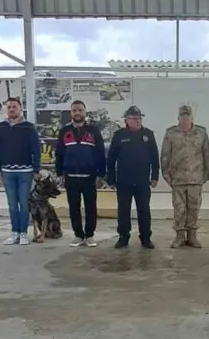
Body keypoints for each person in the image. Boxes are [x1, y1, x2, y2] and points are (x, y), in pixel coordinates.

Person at [107, 106, 159, 249]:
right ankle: (123, 237)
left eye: (139, 118)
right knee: (123, 211)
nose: (137, 121)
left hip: (142, 181)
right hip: (124, 181)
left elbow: (155, 157)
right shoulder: (119, 135)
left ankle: (145, 238)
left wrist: (155, 176)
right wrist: (111, 179)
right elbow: (111, 159)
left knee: (144, 210)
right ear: (127, 120)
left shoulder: (148, 135)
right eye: (134, 118)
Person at [55, 100, 105, 247]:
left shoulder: (93, 130)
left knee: (91, 207)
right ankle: (78, 235)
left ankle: (89, 235)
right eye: (74, 110)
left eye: (80, 110)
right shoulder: (64, 131)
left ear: (85, 112)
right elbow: (59, 153)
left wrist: (101, 174)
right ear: (71, 113)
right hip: (70, 177)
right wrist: (59, 172)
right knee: (73, 208)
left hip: (89, 177)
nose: (77, 113)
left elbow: (100, 153)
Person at [0, 97, 41, 245]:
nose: (12, 109)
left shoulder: (29, 127)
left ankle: (24, 233)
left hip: (26, 172)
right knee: (12, 204)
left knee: (24, 203)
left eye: (14, 107)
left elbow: (36, 150)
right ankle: (14, 233)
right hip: (7, 172)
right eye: (9, 107)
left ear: (20, 108)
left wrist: (36, 169)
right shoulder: (1, 127)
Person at [161, 104, 209, 249]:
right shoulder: (171, 133)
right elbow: (165, 156)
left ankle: (192, 236)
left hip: (196, 178)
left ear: (191, 117)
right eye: (182, 116)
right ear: (178, 117)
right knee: (179, 209)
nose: (185, 119)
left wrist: (206, 174)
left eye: (187, 116)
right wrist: (167, 176)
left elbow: (207, 154)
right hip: (177, 179)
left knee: (194, 208)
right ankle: (179, 236)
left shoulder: (201, 133)